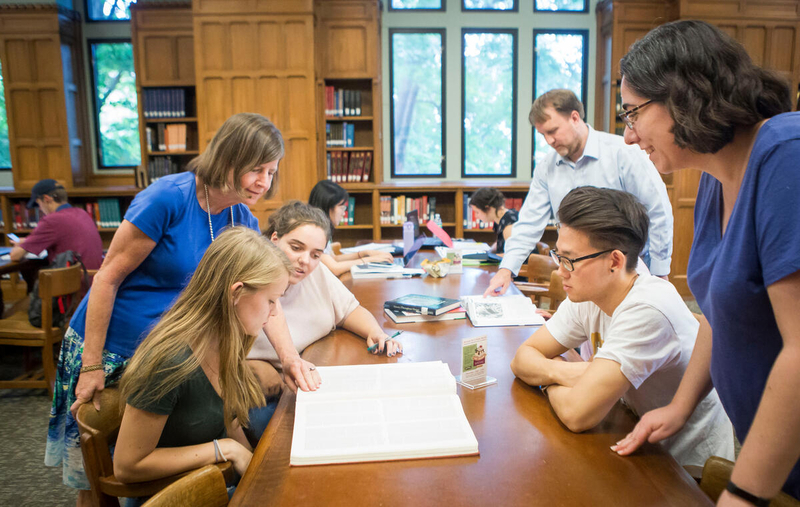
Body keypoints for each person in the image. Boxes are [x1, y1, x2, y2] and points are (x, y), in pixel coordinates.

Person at [45, 113, 316, 506]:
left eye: (271, 172)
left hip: (173, 348)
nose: (264, 182)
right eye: (256, 169)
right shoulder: (168, 198)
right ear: (228, 158)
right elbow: (106, 279)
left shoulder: (240, 217)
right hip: (113, 344)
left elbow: (264, 295)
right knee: (93, 473)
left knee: (154, 450)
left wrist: (290, 358)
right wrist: (91, 365)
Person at [609, 20, 800, 504]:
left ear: (683, 94)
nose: (629, 136)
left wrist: (744, 492)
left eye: (632, 114)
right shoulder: (716, 174)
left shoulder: (785, 156)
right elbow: (718, 310)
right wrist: (681, 405)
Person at [510, 187, 732, 467]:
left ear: (614, 261)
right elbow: (523, 357)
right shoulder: (590, 288)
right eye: (558, 256)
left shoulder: (646, 308)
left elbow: (577, 413)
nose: (560, 270)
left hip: (682, 467)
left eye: (569, 260)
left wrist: (546, 379)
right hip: (629, 431)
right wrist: (569, 372)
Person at [114, 227, 291, 487]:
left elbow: (229, 422)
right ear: (236, 293)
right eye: (271, 300)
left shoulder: (230, 339)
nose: (274, 312)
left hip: (215, 482)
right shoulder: (168, 360)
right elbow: (127, 466)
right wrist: (224, 450)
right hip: (176, 496)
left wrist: (258, 478)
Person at [483, 89, 673, 297]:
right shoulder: (547, 167)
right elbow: (529, 223)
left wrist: (659, 272)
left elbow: (658, 211)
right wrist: (506, 269)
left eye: (553, 131)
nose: (549, 141)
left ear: (575, 117)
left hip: (628, 274)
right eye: (543, 134)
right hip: (576, 276)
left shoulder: (623, 153)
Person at [245, 201, 402, 444]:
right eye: (296, 248)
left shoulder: (315, 273)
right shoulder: (251, 285)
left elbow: (349, 309)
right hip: (267, 393)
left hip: (311, 375)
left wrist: (375, 331)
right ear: (274, 239)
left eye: (316, 254)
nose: (305, 261)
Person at [8, 179, 103, 269]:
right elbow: (64, 237)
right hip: (94, 278)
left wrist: (18, 246)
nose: (40, 209)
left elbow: (15, 256)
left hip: (75, 280)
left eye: (38, 204)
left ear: (46, 199)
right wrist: (27, 241)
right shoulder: (81, 212)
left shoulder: (52, 221)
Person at [308, 180, 393, 276]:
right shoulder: (314, 233)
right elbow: (334, 268)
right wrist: (369, 260)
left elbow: (333, 258)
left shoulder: (322, 229)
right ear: (328, 207)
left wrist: (364, 253)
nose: (344, 213)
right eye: (342, 208)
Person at [468, 188, 518, 254]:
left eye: (477, 212)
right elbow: (500, 243)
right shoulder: (500, 219)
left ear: (488, 208)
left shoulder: (509, 224)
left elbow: (513, 256)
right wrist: (488, 252)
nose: (476, 216)